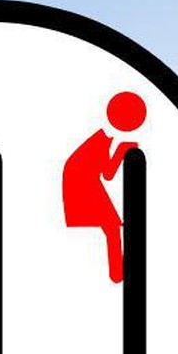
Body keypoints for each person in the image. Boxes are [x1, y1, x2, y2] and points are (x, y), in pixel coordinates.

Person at [62, 91, 145, 283]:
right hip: (83, 187)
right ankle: (117, 273)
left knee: (112, 227)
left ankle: (117, 272)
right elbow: (108, 174)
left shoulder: (100, 140)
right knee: (112, 227)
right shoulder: (100, 142)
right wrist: (122, 149)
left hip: (84, 185)